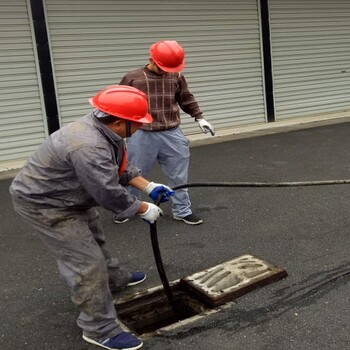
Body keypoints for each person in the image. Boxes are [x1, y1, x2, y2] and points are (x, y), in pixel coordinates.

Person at [9, 85, 174, 350]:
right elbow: (106, 191)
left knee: (95, 238)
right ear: (120, 122)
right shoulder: (88, 145)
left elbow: (118, 166)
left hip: (69, 194)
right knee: (85, 262)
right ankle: (100, 330)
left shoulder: (105, 128)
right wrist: (142, 208)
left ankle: (114, 280)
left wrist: (148, 186)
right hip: (46, 204)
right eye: (138, 123)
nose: (141, 127)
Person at [115, 40, 215, 226]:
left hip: (172, 133)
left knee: (178, 175)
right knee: (134, 174)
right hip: (142, 133)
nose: (165, 71)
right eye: (163, 66)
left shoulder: (175, 75)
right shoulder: (133, 78)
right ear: (151, 59)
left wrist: (199, 117)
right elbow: (120, 103)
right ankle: (128, 207)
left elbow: (185, 98)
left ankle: (182, 210)